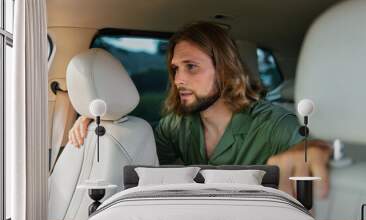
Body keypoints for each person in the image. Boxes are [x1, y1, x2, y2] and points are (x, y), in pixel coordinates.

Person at [68, 22, 331, 198]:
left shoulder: (273, 123)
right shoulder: (176, 126)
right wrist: (103, 119)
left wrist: (315, 149)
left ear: (225, 71)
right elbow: (139, 152)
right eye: (175, 69)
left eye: (191, 67)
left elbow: (317, 148)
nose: (179, 79)